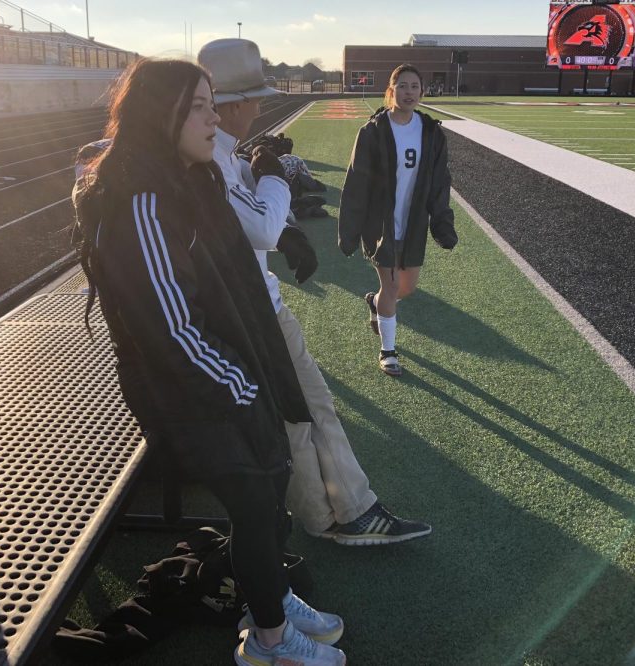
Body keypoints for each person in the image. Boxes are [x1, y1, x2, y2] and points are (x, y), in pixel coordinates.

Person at [71, 57, 346, 666]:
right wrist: (243, 387)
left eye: (213, 101)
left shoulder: (188, 178)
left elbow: (233, 273)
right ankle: (268, 643)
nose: (213, 117)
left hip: (230, 375)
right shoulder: (141, 202)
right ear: (159, 113)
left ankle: (267, 597)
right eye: (199, 105)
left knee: (272, 487)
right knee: (253, 500)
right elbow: (172, 328)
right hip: (194, 393)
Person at [198, 39, 432, 547]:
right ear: (231, 102)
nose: (259, 108)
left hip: (241, 306)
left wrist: (278, 216)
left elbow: (248, 223)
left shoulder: (212, 153)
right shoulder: (209, 159)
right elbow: (259, 226)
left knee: (298, 414)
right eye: (254, 99)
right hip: (254, 309)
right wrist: (273, 178)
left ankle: (323, 513)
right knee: (312, 407)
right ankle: (349, 512)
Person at [338, 63, 457, 376]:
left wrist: (442, 224)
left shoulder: (431, 133)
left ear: (422, 91)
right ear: (391, 91)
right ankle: (388, 351)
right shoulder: (373, 132)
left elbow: (439, 183)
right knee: (391, 288)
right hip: (380, 224)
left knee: (406, 289)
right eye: (402, 86)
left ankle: (376, 304)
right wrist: (349, 230)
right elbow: (356, 182)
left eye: (415, 86)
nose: (409, 92)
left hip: (413, 222)